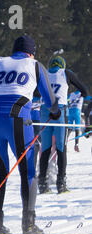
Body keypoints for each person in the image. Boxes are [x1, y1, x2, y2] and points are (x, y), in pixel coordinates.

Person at [0, 35, 60, 234]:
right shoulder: (34, 65)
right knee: (27, 173)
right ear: (31, 52)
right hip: (17, 120)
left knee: (0, 171)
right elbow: (50, 100)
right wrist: (54, 111)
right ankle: (29, 224)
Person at [38, 56, 89, 194]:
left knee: (46, 148)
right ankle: (61, 184)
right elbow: (84, 91)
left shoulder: (44, 73)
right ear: (62, 65)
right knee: (61, 148)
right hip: (60, 111)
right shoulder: (66, 73)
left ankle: (42, 184)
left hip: (44, 111)